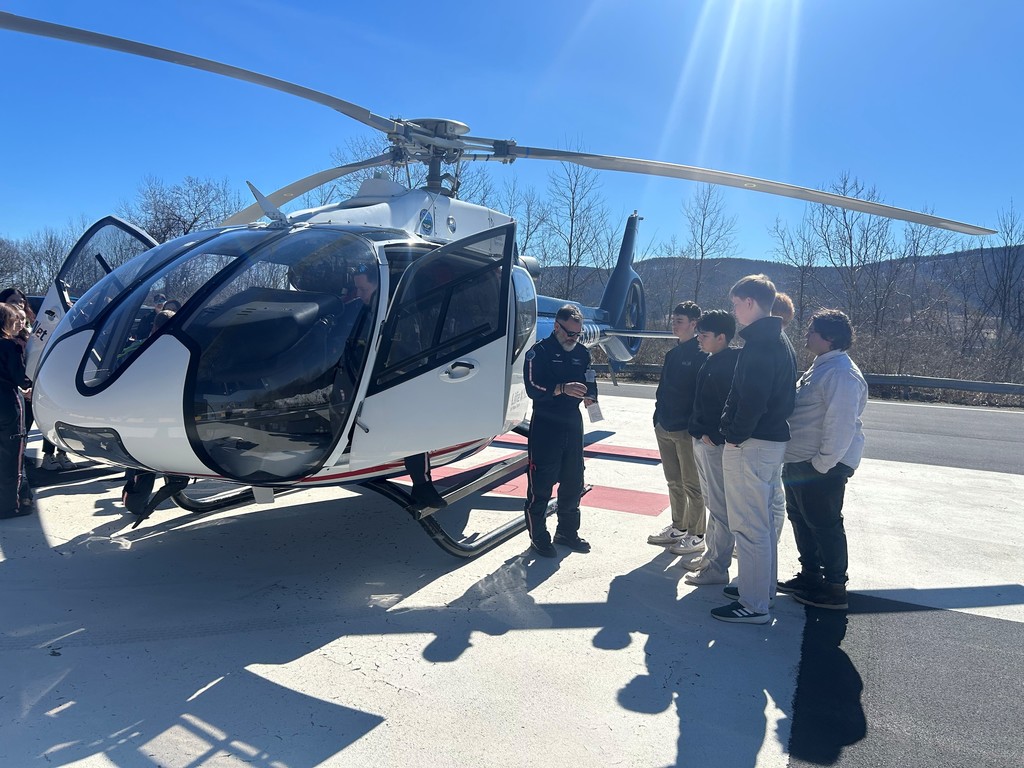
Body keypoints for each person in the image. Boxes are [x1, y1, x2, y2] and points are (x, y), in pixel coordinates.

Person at [712, 274, 796, 624]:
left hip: (752, 442)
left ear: (750, 302)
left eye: (735, 304)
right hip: (767, 442)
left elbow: (753, 399)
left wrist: (733, 435)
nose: (734, 311)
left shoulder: (762, 344)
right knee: (761, 522)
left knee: (750, 525)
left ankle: (754, 603)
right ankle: (759, 590)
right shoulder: (779, 340)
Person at [779, 309, 867, 610]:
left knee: (824, 524)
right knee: (801, 519)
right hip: (800, 462)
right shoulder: (822, 366)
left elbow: (840, 425)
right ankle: (810, 575)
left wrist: (821, 464)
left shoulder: (842, 373)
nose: (807, 334)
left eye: (812, 330)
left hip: (819, 465)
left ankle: (834, 587)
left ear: (829, 337)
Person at [522, 304, 597, 556]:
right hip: (546, 423)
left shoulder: (582, 353)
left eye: (578, 334)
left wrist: (592, 398)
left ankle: (567, 531)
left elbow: (590, 379)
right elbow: (533, 388)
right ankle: (538, 535)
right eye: (569, 333)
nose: (573, 339)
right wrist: (561, 388)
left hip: (572, 423)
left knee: (573, 480)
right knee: (541, 482)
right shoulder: (538, 353)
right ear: (556, 326)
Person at [681, 310, 740, 585]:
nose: (699, 340)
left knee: (720, 508)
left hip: (713, 445)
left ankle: (718, 567)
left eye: (704, 336)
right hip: (701, 441)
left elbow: (734, 404)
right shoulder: (712, 360)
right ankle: (710, 556)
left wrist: (716, 434)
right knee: (711, 504)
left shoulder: (731, 364)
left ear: (722, 337)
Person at [647, 301, 708, 554]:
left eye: (679, 321)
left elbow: (702, 395)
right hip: (664, 425)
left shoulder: (701, 354)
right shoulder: (672, 354)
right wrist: (657, 418)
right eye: (673, 320)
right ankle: (679, 526)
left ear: (694, 324)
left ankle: (697, 534)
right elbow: (663, 391)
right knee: (673, 480)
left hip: (685, 429)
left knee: (692, 484)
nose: (674, 324)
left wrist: (694, 425)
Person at [767, 291, 798, 543]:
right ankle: (768, 540)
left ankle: (768, 542)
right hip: (776, 432)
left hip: (768, 433)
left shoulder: (773, 343)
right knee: (773, 492)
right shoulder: (783, 342)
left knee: (772, 495)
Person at [0, 303, 33, 518]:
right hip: (8, 400)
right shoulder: (11, 346)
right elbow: (20, 376)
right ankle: (10, 504)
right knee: (13, 453)